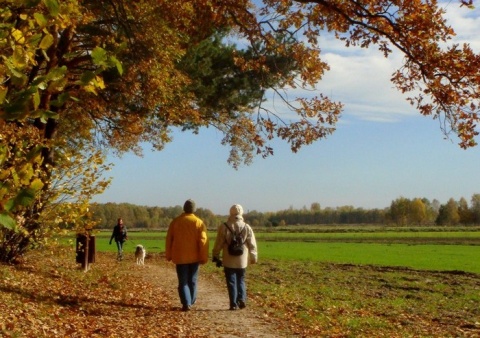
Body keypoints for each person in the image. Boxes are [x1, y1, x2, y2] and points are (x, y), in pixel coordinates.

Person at [165, 199, 209, 311]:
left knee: (183, 281)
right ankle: (191, 300)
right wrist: (203, 257)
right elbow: (203, 241)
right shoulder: (199, 222)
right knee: (193, 280)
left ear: (184, 208)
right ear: (194, 210)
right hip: (194, 257)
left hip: (180, 257)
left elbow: (169, 239)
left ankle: (186, 303)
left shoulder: (175, 222)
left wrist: (169, 255)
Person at [212, 204, 257, 310]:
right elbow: (252, 244)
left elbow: (219, 243)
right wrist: (253, 256)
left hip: (228, 259)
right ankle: (242, 298)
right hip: (242, 259)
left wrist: (216, 255)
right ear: (241, 212)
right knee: (241, 279)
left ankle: (233, 303)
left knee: (231, 281)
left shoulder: (224, 226)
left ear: (230, 212)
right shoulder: (246, 227)